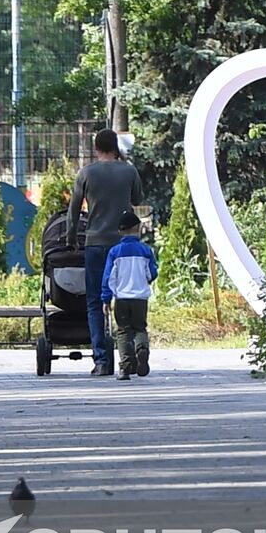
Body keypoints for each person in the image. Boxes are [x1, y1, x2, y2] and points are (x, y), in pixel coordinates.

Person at [66, 128, 145, 376]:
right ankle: (129, 353)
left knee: (94, 301)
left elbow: (74, 210)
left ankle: (101, 360)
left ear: (96, 148)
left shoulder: (86, 173)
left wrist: (71, 239)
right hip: (123, 245)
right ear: (116, 147)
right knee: (126, 297)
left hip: (95, 243)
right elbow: (138, 198)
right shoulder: (129, 171)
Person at [101, 210, 158, 381]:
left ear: (120, 231)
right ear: (138, 228)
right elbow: (152, 273)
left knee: (123, 332)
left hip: (122, 298)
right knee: (140, 328)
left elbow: (108, 277)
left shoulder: (114, 252)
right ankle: (142, 349)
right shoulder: (145, 250)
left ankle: (125, 368)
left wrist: (106, 299)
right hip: (140, 298)